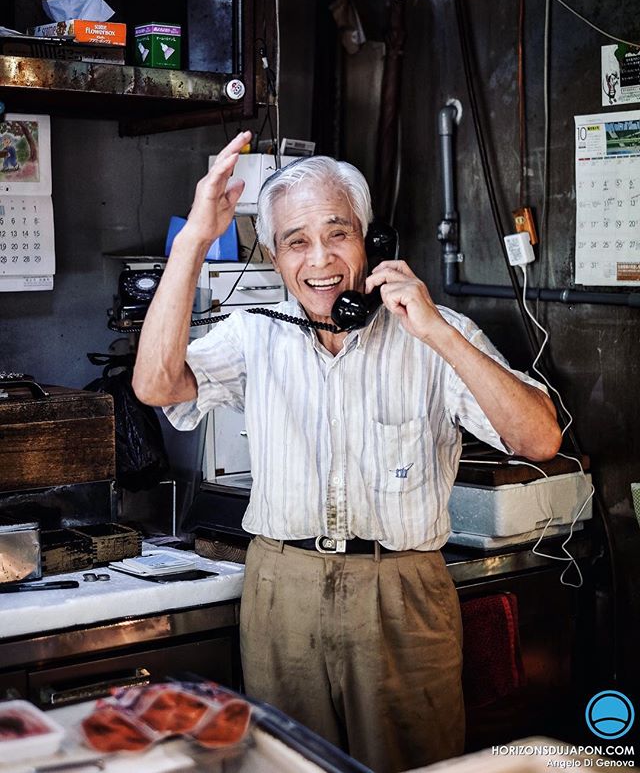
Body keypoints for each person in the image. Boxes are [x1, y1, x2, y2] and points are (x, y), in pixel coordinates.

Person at [133, 130, 562, 772]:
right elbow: (155, 384)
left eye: (338, 233)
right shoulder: (255, 334)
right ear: (276, 259)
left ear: (372, 239)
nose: (319, 260)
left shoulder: (435, 333)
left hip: (403, 595)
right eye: (295, 242)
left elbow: (540, 439)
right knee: (289, 766)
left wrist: (437, 332)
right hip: (282, 593)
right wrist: (194, 238)